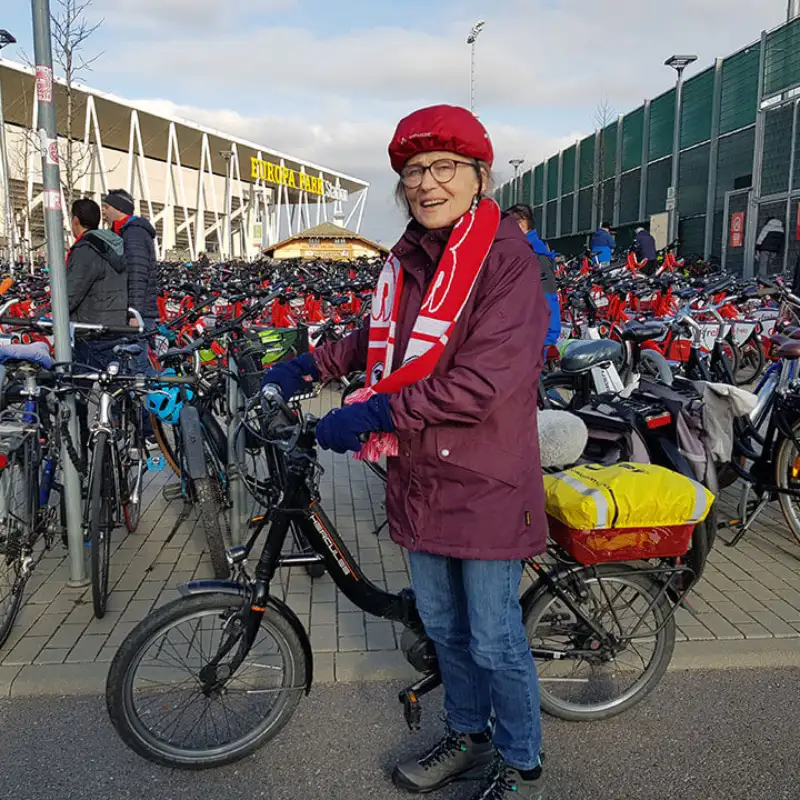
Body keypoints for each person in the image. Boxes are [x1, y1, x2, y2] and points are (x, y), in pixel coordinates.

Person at [262, 104, 547, 799]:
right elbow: (374, 338)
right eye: (413, 170)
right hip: (419, 472)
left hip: (484, 478)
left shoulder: (507, 261)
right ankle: (469, 733)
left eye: (443, 167)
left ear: (479, 175)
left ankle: (522, 761)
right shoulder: (409, 256)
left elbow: (478, 383)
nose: (425, 183)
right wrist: (308, 367)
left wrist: (375, 412)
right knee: (445, 627)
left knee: (492, 637)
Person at [66, 197, 128, 445]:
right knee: (114, 390)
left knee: (78, 393)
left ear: (75, 220)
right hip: (114, 325)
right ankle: (119, 446)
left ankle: (80, 448)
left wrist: (53, 314)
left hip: (89, 330)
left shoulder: (85, 249)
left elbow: (71, 293)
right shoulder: (113, 245)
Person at [101, 189, 159, 441]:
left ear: (118, 208)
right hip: (126, 312)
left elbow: (137, 273)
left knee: (140, 371)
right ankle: (132, 423)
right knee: (125, 368)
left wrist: (134, 312)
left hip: (136, 313)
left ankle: (151, 429)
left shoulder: (133, 233)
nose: (103, 209)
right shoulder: (122, 231)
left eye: (106, 206)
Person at [507, 203, 561, 350]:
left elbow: (548, 294)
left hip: (533, 339)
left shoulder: (536, 255)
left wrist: (549, 336)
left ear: (523, 226)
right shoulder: (518, 249)